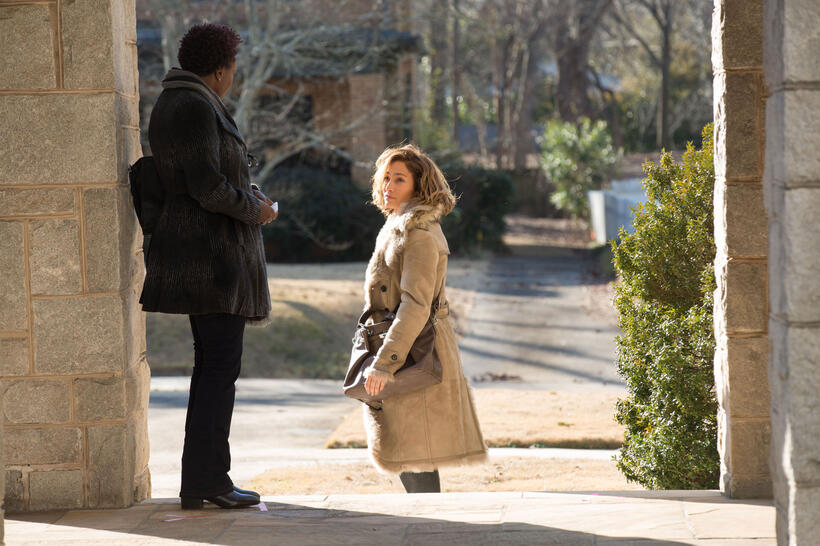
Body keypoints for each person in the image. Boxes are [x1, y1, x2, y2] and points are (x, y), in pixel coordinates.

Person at [140, 23, 278, 510]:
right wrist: (255, 210)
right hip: (212, 261)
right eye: (233, 71)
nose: (233, 80)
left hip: (208, 257)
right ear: (220, 70)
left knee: (213, 369)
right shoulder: (193, 105)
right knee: (219, 370)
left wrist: (247, 193)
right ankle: (207, 481)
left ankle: (204, 479)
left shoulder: (184, 102)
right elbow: (207, 188)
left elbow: (212, 176)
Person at [361, 144, 488, 493]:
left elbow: (416, 305)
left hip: (416, 348)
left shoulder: (418, 234)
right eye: (386, 177)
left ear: (419, 186)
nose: (388, 185)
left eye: (399, 179)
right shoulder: (396, 227)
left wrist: (385, 363)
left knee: (413, 448)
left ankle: (428, 528)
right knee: (406, 447)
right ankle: (427, 526)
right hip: (402, 344)